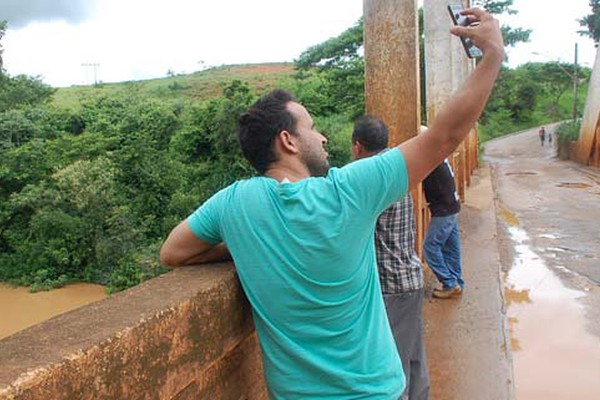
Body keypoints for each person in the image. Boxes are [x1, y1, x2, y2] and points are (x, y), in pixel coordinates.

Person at [160, 7, 504, 399]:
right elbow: (445, 136)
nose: (323, 137)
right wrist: (492, 56)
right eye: (311, 127)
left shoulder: (234, 204)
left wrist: (244, 243)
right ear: (287, 141)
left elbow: (173, 252)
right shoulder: (350, 189)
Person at [351, 115, 429, 400]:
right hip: (410, 277)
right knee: (414, 357)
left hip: (392, 286)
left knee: (393, 368)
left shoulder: (371, 177)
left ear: (357, 146)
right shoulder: (395, 170)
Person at [422, 159, 463, 299]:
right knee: (451, 248)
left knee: (430, 247)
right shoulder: (440, 156)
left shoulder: (431, 159)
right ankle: (456, 282)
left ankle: (450, 283)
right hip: (451, 205)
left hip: (444, 210)